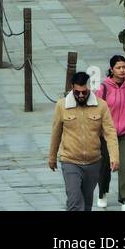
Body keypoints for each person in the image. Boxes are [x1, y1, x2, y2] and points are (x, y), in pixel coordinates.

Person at [48, 70, 119, 212]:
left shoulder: (101, 106)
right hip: (70, 161)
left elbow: (110, 133)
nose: (81, 95)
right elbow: (56, 133)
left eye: (84, 92)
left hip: (93, 162)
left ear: (89, 89)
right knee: (74, 202)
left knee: (86, 204)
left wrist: (114, 157)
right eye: (77, 92)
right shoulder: (62, 106)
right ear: (72, 88)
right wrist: (52, 157)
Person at [95, 53, 125, 210]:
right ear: (111, 69)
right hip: (106, 134)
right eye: (118, 67)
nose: (122, 70)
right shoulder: (103, 88)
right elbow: (96, 111)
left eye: (124, 67)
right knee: (105, 165)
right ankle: (102, 192)